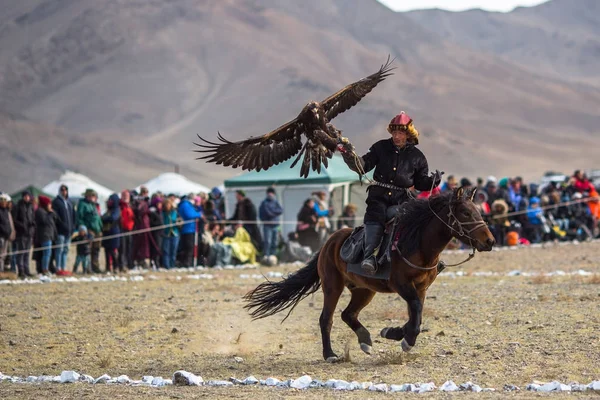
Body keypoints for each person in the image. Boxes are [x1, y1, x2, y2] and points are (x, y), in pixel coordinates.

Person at [339, 111, 441, 274]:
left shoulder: (418, 157)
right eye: (394, 132)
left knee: (414, 218)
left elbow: (421, 183)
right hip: (378, 197)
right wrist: (349, 156)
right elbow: (363, 166)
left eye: (400, 133)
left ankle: (427, 258)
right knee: (376, 217)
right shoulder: (380, 147)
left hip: (402, 200)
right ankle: (369, 256)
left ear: (408, 134)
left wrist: (433, 180)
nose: (396, 136)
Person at [77, 189, 103, 273]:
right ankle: (88, 268)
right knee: (88, 250)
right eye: (92, 195)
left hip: (97, 230)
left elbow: (97, 218)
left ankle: (95, 267)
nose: (93, 197)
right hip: (89, 230)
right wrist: (83, 229)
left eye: (94, 196)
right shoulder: (82, 205)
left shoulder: (94, 205)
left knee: (96, 249)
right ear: (87, 196)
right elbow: (79, 218)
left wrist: (101, 227)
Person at [52, 184, 76, 273]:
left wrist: (73, 227)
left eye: (65, 190)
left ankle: (63, 267)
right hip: (60, 231)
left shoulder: (69, 202)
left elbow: (74, 215)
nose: (64, 192)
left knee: (66, 250)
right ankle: (58, 268)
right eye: (62, 190)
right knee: (60, 250)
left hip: (69, 232)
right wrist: (62, 225)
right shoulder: (56, 202)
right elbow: (56, 217)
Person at [12, 190, 35, 277]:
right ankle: (21, 270)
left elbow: (33, 217)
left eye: (28, 196)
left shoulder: (31, 206)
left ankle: (27, 270)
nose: (27, 197)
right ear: (23, 197)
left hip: (29, 233)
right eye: (25, 196)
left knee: (27, 252)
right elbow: (15, 220)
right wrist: (22, 225)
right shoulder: (18, 206)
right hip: (21, 233)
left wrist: (32, 224)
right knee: (21, 252)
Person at [259, 187, 284, 261]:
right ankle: (266, 256)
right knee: (267, 241)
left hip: (275, 226)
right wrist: (274, 213)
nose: (270, 194)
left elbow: (280, 210)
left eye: (272, 192)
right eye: (269, 192)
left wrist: (272, 212)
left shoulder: (276, 202)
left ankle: (273, 256)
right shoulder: (264, 203)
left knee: (275, 242)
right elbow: (267, 213)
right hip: (267, 225)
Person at [35, 195, 57, 275]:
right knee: (46, 254)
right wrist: (50, 213)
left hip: (49, 235)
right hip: (44, 236)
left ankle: (46, 268)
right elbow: (45, 221)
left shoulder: (46, 212)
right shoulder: (40, 211)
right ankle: (45, 269)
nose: (50, 205)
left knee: (48, 253)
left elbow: (54, 220)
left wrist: (52, 213)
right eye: (49, 204)